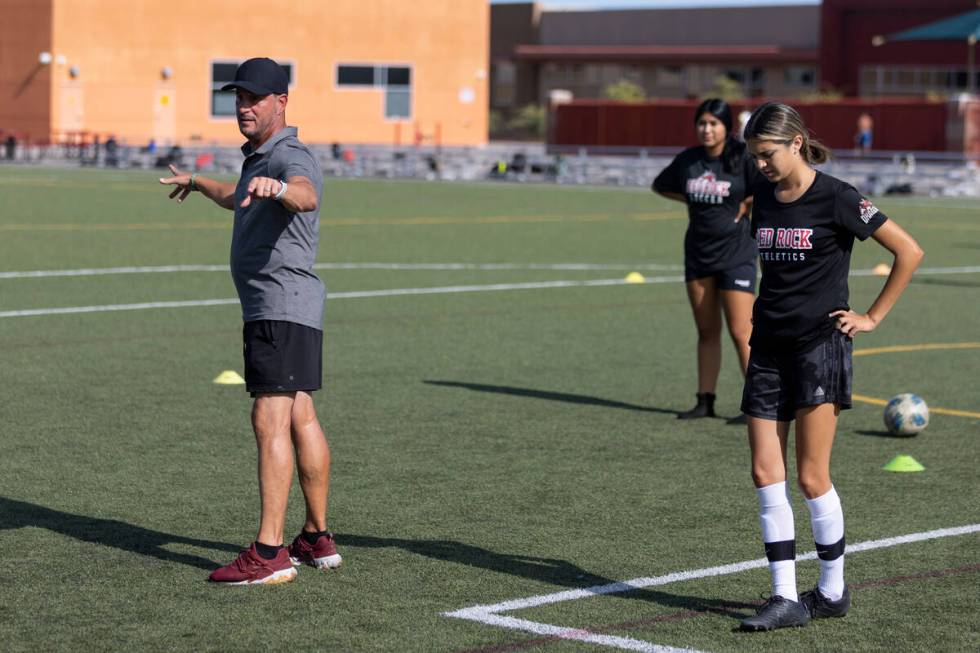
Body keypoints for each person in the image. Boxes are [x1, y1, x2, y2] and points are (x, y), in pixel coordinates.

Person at [737, 102, 923, 631]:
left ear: (796, 142)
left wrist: (872, 317)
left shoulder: (839, 197)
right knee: (762, 472)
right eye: (755, 157)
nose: (763, 165)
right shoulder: (764, 201)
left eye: (768, 154)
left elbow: (908, 250)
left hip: (820, 347)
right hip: (768, 347)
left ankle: (833, 590)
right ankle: (783, 597)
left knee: (811, 475)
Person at [159, 57, 341, 585]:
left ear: (280, 102)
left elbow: (304, 193)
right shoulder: (258, 160)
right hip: (291, 309)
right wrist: (197, 182)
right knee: (300, 415)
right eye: (238, 97)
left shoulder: (288, 154)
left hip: (279, 309)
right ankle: (316, 537)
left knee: (268, 417)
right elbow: (238, 199)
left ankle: (269, 551)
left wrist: (281, 190)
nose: (243, 106)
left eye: (254, 98)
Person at [652, 98, 761, 421]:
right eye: (702, 123)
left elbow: (769, 185)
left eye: (714, 123)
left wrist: (748, 203)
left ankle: (757, 404)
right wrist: (690, 196)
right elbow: (661, 185)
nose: (707, 129)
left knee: (742, 332)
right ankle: (705, 400)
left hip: (737, 254)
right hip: (698, 253)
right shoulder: (688, 160)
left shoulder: (742, 157)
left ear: (727, 127)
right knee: (706, 330)